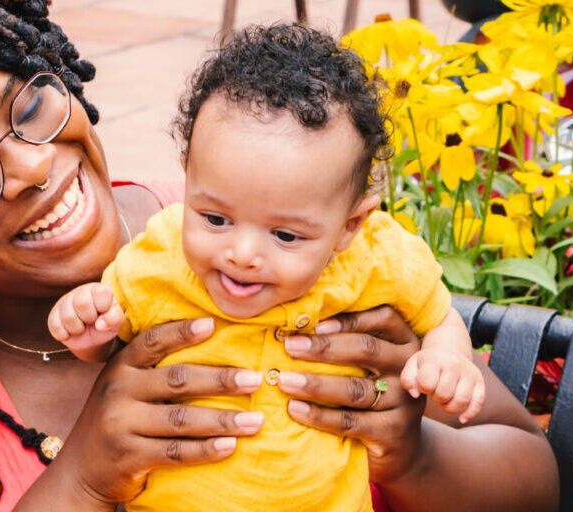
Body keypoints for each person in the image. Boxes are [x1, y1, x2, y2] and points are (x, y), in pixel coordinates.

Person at [0, 0, 558, 511]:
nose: (36, 165)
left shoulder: (256, 245)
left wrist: (412, 452)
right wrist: (84, 479)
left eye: (30, 102)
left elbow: (532, 479)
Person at [48, 25, 485, 512]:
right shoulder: (163, 256)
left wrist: (448, 358)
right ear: (188, 175)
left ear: (350, 224)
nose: (243, 252)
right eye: (215, 219)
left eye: (285, 235)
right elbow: (112, 339)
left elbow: (439, 316)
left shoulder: (375, 259)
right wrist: (89, 331)